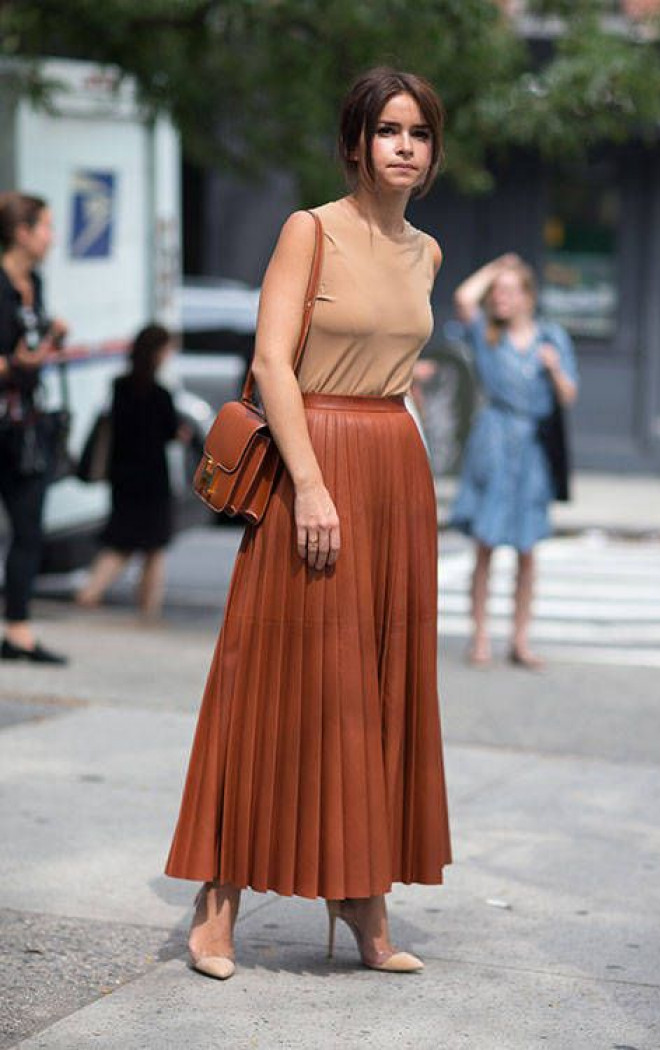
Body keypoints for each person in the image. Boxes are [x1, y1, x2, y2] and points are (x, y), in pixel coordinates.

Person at [165, 67, 452, 980]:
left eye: (419, 133)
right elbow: (271, 365)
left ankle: (363, 899)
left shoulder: (429, 253)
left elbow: (401, 372)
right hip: (313, 468)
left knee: (373, 687)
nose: (404, 146)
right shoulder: (310, 230)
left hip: (393, 471)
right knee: (273, 681)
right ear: (355, 142)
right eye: (388, 130)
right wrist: (313, 486)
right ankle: (216, 904)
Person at [450, 254, 578, 670]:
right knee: (484, 546)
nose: (498, 298)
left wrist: (555, 370)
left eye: (508, 291)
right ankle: (480, 636)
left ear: (527, 297)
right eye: (496, 292)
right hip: (493, 441)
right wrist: (493, 269)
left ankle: (520, 639)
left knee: (527, 550)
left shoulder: (552, 338)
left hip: (533, 450)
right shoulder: (486, 334)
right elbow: (463, 298)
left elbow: (569, 396)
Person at [76, 324, 187, 619]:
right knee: (152, 547)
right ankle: (145, 609)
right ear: (158, 353)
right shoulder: (161, 394)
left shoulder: (119, 387)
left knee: (122, 541)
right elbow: (170, 432)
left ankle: (94, 591)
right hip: (152, 478)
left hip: (123, 475)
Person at [0, 192, 68, 665]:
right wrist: (12, 366)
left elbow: (30, 352)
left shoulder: (35, 284)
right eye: (44, 226)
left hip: (27, 424)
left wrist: (48, 341)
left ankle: (18, 629)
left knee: (29, 528)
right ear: (21, 232)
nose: (51, 236)